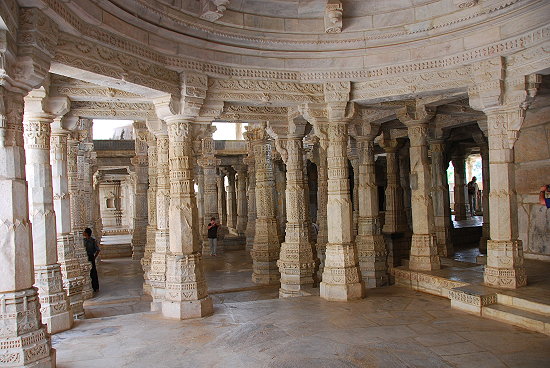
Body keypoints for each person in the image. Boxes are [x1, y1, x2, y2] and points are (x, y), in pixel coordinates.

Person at [83, 227, 100, 292]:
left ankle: (95, 286)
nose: (83, 233)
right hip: (86, 257)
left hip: (90, 257)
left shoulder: (92, 241)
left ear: (86, 233)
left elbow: (98, 250)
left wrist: (94, 257)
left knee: (93, 272)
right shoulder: (83, 241)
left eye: (84, 232)